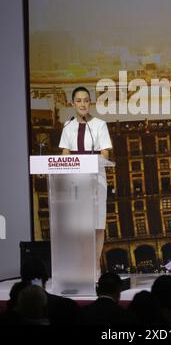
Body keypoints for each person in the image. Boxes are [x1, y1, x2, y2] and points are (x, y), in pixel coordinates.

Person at [59, 86, 113, 275]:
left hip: (96, 180)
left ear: (90, 103)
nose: (83, 104)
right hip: (76, 182)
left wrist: (94, 159)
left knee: (97, 224)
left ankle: (95, 264)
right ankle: (82, 263)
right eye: (79, 100)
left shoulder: (99, 125)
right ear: (73, 103)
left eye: (86, 100)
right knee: (80, 224)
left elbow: (105, 152)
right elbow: (65, 152)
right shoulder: (68, 126)